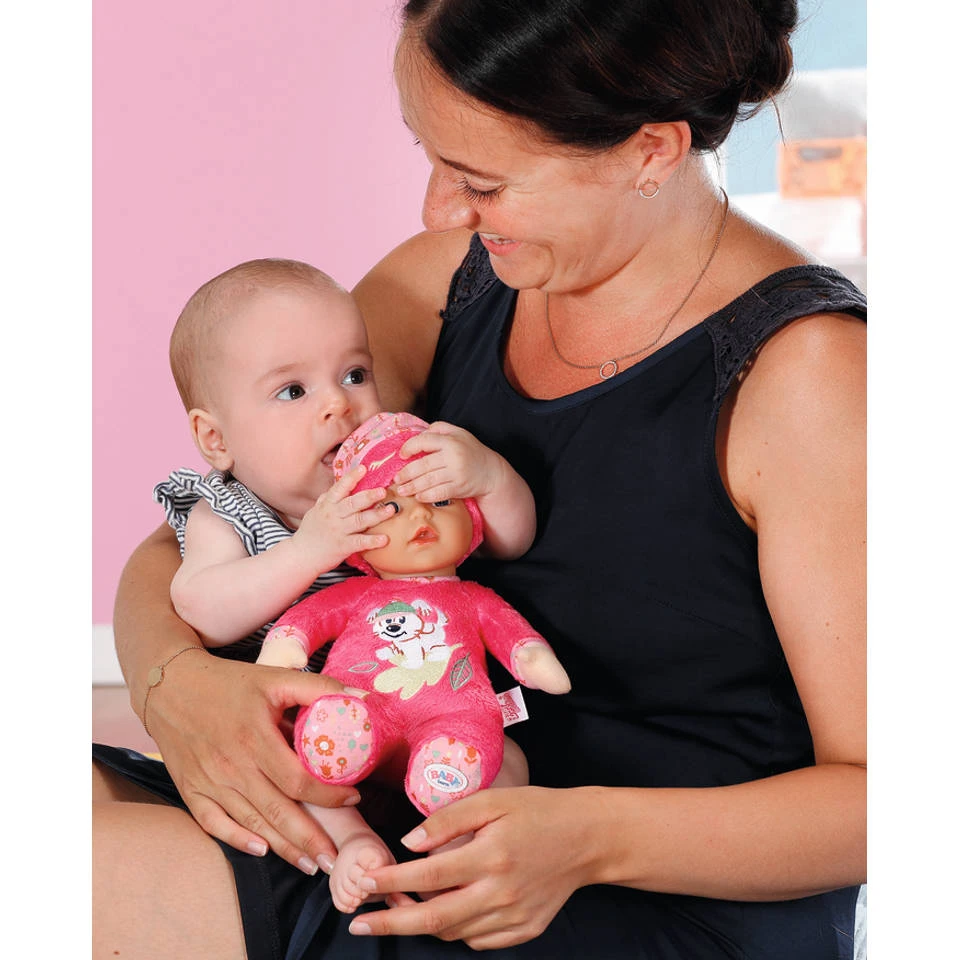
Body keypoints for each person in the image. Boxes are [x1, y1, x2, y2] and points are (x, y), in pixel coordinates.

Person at [93, 1, 867, 957]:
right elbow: (201, 527)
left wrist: (588, 839)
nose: (439, 210)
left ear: (650, 151)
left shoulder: (812, 379)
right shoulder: (443, 284)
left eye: (482, 182)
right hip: (395, 810)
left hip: (647, 895)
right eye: (429, 157)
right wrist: (174, 686)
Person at [134, 259, 539, 912]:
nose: (339, 404)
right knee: (284, 771)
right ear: (216, 438)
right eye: (292, 391)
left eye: (355, 374)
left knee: (507, 757)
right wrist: (309, 549)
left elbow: (507, 540)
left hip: (423, 710)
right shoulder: (229, 511)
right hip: (313, 731)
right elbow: (201, 607)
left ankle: (463, 847)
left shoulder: (397, 481)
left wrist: (489, 478)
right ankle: (354, 846)